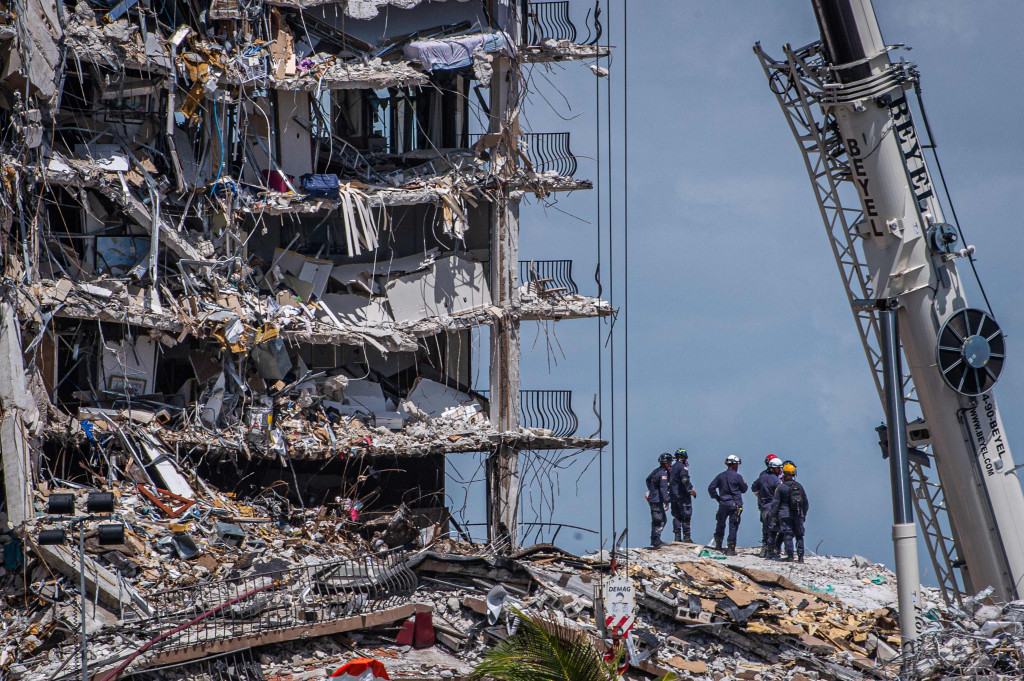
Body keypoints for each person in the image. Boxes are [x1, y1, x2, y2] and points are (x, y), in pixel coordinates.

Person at [707, 455, 747, 555]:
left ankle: (718, 545)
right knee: (733, 526)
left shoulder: (720, 476)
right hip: (735, 505)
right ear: (734, 465)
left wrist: (717, 498)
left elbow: (711, 488)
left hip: (723, 504)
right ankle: (731, 549)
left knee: (720, 524)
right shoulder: (738, 477)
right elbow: (744, 489)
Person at [771, 462, 809, 562]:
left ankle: (790, 556)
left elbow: (776, 503)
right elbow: (805, 502)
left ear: (784, 473)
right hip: (798, 514)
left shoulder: (781, 487)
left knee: (788, 534)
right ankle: (800, 557)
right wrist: (804, 514)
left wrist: (773, 516)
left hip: (785, 514)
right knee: (799, 535)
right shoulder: (799, 486)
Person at [752, 456, 783, 558]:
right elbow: (781, 491)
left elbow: (754, 488)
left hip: (763, 507)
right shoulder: (776, 480)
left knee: (765, 528)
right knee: (773, 529)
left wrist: (760, 497)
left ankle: (764, 548)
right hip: (773, 507)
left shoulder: (762, 477)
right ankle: (771, 550)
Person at [645, 453, 673, 549]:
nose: (670, 464)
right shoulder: (663, 474)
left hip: (654, 498)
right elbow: (663, 489)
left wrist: (652, 490)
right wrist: (667, 501)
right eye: (670, 462)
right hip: (657, 500)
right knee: (659, 520)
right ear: (666, 463)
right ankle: (656, 541)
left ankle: (656, 540)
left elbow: (647, 480)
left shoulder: (656, 471)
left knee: (660, 519)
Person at [669, 449, 697, 543]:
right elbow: (685, 480)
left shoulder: (671, 468)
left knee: (676, 516)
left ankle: (677, 537)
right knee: (686, 516)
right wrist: (691, 490)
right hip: (683, 495)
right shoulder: (682, 467)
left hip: (673, 496)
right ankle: (686, 537)